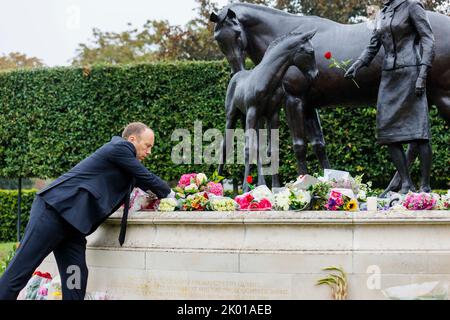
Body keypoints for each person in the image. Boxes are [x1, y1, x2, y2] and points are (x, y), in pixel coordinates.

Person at [0, 122, 174, 300]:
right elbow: (147, 177)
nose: (149, 152)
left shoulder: (126, 166)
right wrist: (172, 194)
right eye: (147, 146)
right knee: (20, 271)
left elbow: (148, 184)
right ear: (132, 139)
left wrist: (184, 197)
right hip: (53, 213)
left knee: (75, 278)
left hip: (73, 227)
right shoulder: (119, 147)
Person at [345, 0, 435, 194]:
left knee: (419, 133)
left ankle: (425, 186)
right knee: (388, 133)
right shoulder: (382, 13)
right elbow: (373, 45)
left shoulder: (412, 5)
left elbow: (428, 39)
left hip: (412, 72)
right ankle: (405, 183)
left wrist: (423, 74)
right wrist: (358, 64)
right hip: (389, 76)